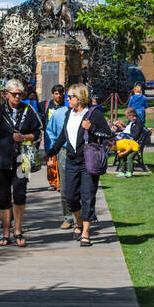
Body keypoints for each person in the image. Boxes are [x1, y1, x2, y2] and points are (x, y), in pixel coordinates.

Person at [47, 83, 111, 246]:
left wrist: (92, 128)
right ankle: (79, 221)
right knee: (70, 197)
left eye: (70, 96)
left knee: (88, 196)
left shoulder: (93, 114)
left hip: (87, 161)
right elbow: (63, 135)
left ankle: (86, 233)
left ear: (80, 97)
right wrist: (51, 152)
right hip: (71, 161)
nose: (66, 99)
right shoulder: (69, 113)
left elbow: (107, 133)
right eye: (67, 97)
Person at [0, 78, 41, 247]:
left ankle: (18, 231)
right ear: (6, 94)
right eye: (14, 94)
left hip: (23, 160)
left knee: (20, 194)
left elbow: (38, 133)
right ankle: (6, 233)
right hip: (1, 159)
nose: (17, 97)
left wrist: (24, 137)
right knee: (3, 197)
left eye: (20, 94)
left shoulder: (28, 111)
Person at [43, 85, 68, 198]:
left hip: (61, 137)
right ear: (53, 94)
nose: (58, 96)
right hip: (49, 135)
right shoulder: (46, 105)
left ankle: (59, 183)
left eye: (60, 93)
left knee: (60, 162)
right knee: (51, 161)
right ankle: (53, 182)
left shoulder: (66, 106)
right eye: (56, 93)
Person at [113, 107, 146, 177]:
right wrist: (121, 126)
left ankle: (128, 172)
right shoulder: (131, 121)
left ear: (131, 115)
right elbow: (128, 129)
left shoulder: (138, 122)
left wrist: (122, 134)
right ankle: (122, 171)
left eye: (127, 116)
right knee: (109, 138)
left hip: (131, 143)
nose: (127, 118)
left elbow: (134, 136)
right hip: (125, 140)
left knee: (110, 143)